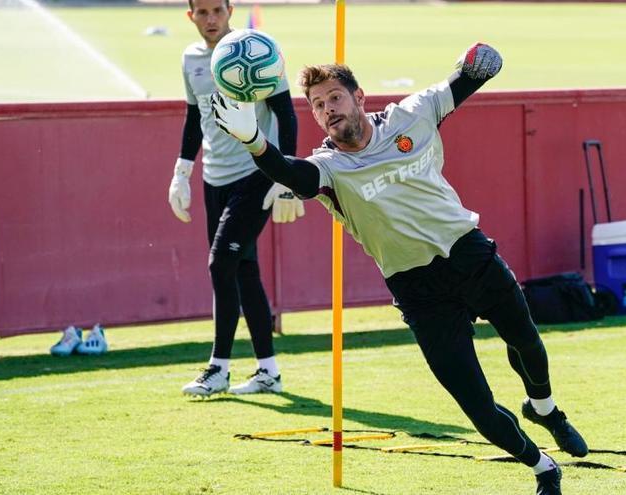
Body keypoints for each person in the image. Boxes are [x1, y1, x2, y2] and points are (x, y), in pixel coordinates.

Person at [211, 43, 587, 494]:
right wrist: (253, 141)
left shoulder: (412, 114)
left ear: (359, 97)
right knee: (478, 408)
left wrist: (480, 62)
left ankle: (545, 409)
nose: (327, 110)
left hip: (468, 253)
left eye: (334, 98)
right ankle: (543, 466)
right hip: (418, 290)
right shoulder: (328, 167)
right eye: (316, 105)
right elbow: (291, 174)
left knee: (526, 341)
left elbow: (464, 79)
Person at [169, 0, 304, 397]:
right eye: (203, 12)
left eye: (217, 10)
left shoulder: (258, 49)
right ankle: (269, 372)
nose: (211, 19)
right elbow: (195, 116)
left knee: (220, 263)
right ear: (190, 16)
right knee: (243, 271)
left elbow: (287, 115)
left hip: (256, 174)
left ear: (230, 11)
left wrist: (287, 178)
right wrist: (182, 171)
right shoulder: (190, 58)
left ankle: (218, 368)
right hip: (215, 179)